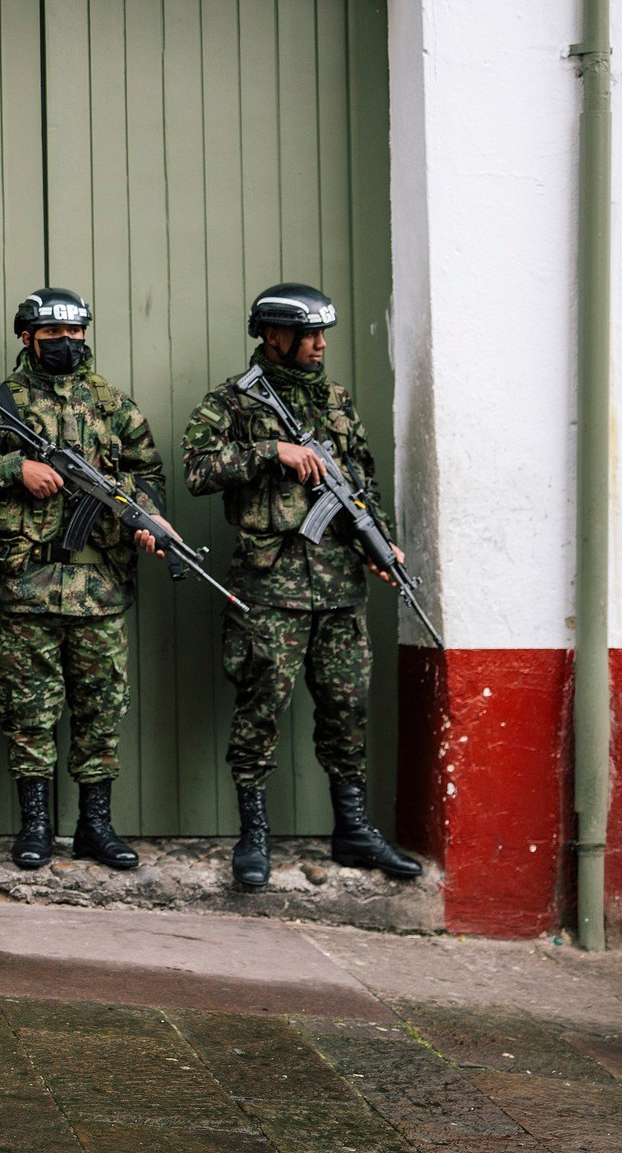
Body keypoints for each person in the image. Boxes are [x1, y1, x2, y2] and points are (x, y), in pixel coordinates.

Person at [181, 282, 423, 889]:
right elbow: (196, 471)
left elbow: (360, 481)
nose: (319, 344)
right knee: (260, 708)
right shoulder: (231, 402)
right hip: (270, 587)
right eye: (308, 334)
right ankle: (254, 834)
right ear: (273, 335)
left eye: (322, 334)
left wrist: (379, 542)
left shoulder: (337, 401)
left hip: (340, 588)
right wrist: (271, 451)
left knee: (347, 708)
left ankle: (353, 829)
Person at [0, 288, 170, 872]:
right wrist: (14, 468)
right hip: (28, 586)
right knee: (28, 712)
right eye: (53, 335)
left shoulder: (113, 405)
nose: (67, 343)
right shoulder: (2, 403)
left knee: (102, 710)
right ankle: (36, 826)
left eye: (75, 333)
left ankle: (96, 826)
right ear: (28, 338)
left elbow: (149, 474)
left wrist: (147, 518)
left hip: (101, 589)